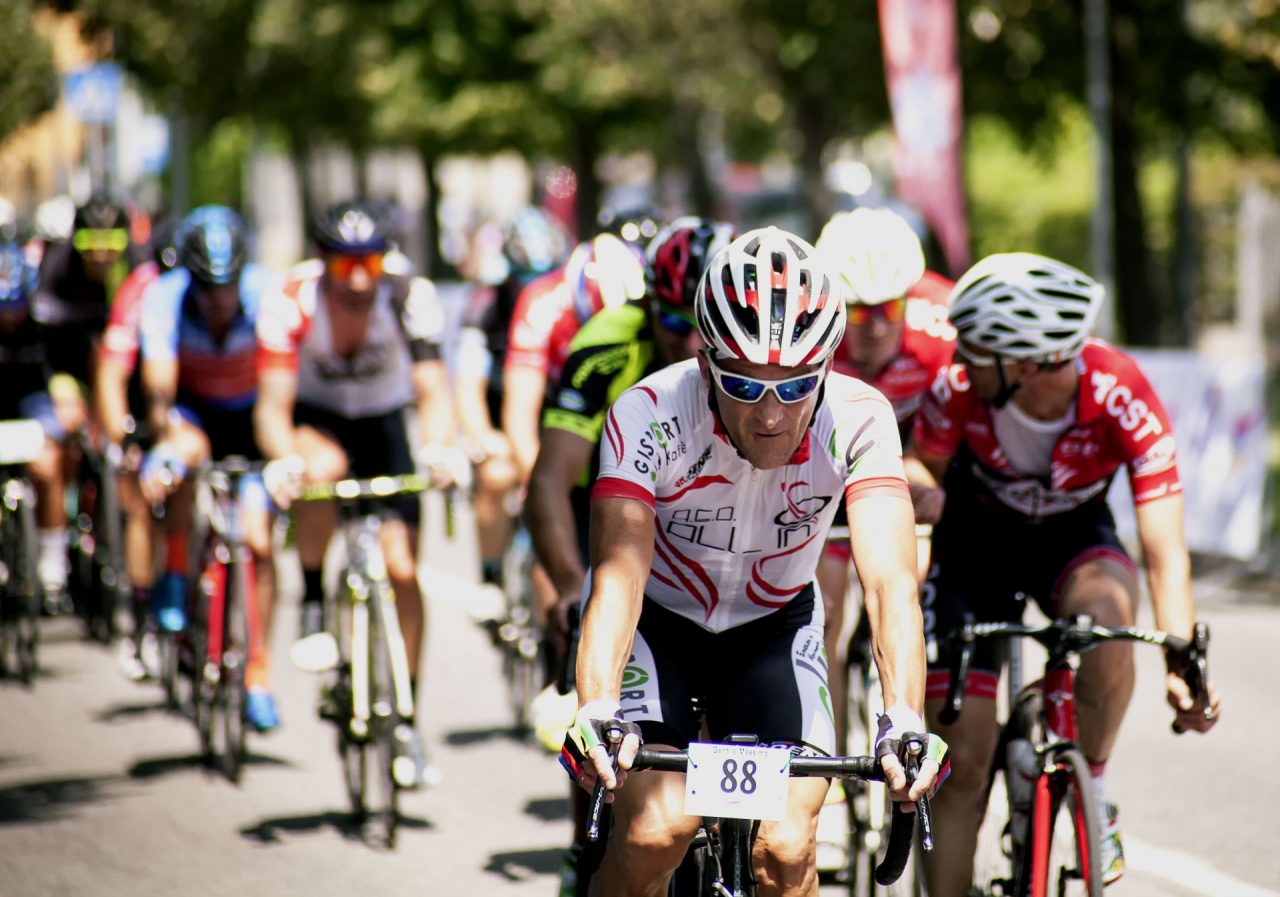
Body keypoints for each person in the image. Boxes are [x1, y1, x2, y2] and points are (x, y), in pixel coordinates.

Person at [563, 227, 947, 897]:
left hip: (775, 626)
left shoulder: (861, 418)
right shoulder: (649, 412)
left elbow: (890, 584)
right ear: (705, 364)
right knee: (655, 831)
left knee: (788, 846)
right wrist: (597, 703)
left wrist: (904, 717)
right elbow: (618, 577)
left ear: (828, 364)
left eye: (796, 386)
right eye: (743, 384)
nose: (771, 415)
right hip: (660, 625)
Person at [906, 252, 1221, 895]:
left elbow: (1164, 548)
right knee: (960, 762)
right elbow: (920, 464)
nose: (959, 357)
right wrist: (920, 489)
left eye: (974, 348)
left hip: (1072, 540)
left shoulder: (1120, 391)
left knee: (1110, 618)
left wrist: (1182, 661)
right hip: (973, 546)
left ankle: (1093, 789)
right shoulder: (957, 387)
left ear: (1024, 364)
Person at [526, 216, 732, 897]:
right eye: (670, 320)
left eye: (699, 324)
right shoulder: (606, 343)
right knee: (593, 678)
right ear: (648, 306)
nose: (685, 339)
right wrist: (568, 586)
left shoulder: (751, 363)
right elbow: (550, 480)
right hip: (612, 519)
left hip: (712, 538)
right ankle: (586, 841)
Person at [254, 199, 455, 787]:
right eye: (346, 265)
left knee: (402, 569)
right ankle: (313, 600)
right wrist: (285, 458)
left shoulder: (408, 295)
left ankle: (408, 717)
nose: (361, 279)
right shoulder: (291, 300)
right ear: (322, 261)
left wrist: (440, 448)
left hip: (384, 424)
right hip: (318, 421)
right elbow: (272, 407)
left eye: (371, 262)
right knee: (322, 468)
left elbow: (432, 391)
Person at [810, 207, 956, 784]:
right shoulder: (807, 329)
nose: (874, 326)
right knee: (821, 612)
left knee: (905, 583)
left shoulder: (944, 327)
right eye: (858, 311)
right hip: (828, 468)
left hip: (905, 466)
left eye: (888, 309)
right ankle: (825, 763)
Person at [137, 205, 282, 732]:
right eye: (207, 287)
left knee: (259, 544)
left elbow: (280, 379)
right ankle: (175, 571)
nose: (218, 298)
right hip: (194, 412)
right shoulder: (166, 296)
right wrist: (163, 442)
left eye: (228, 286)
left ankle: (258, 672)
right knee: (182, 459)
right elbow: (159, 385)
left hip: (252, 416)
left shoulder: (267, 293)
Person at [455, 207, 569, 590]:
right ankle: (490, 576)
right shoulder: (485, 304)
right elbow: (467, 383)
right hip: (498, 412)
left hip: (550, 411)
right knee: (495, 476)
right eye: (526, 280)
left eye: (545, 279)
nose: (536, 292)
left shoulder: (571, 302)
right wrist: (483, 436)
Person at [97, 220, 178, 679]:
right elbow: (112, 374)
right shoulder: (140, 291)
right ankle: (142, 615)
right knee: (141, 502)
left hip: (187, 400)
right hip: (141, 397)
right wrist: (122, 435)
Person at [0, 243, 75, 607]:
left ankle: (53, 561)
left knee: (48, 463)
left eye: (16, 305)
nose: (9, 316)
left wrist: (71, 402)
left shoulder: (46, 325)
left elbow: (68, 372)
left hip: (33, 403)